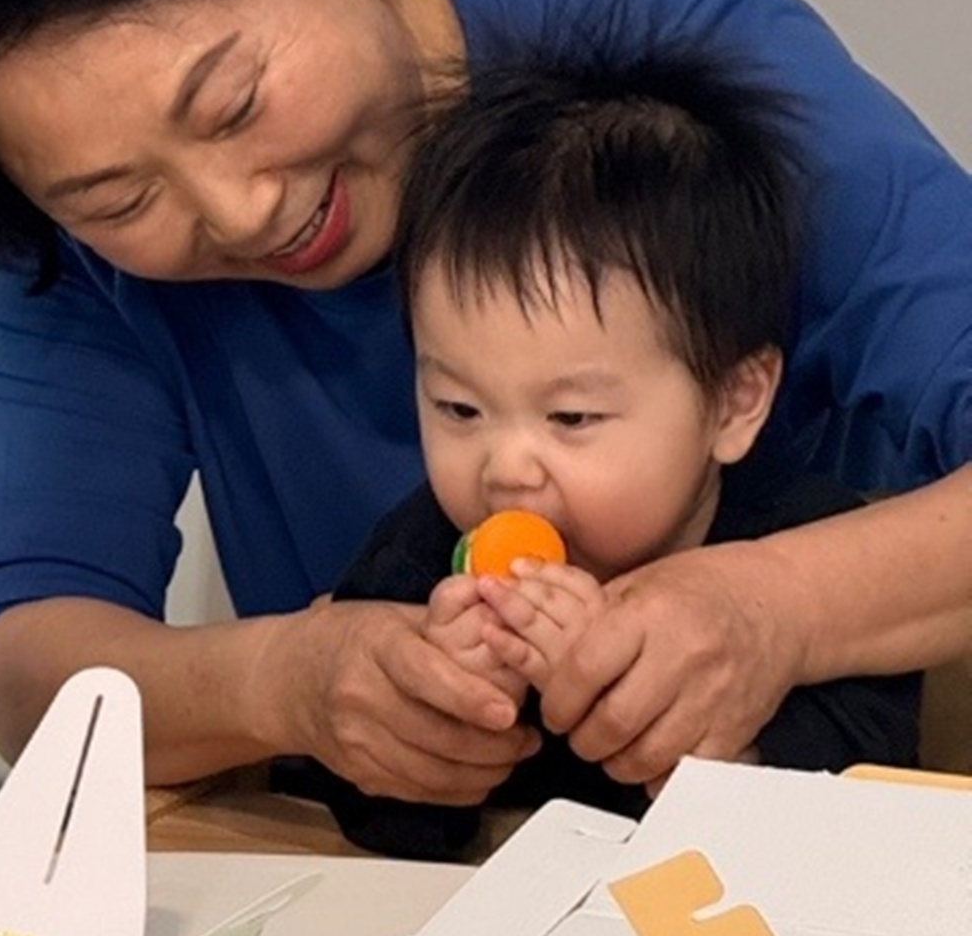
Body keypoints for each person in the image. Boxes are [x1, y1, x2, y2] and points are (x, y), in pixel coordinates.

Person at [0, 0, 972, 817]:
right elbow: (35, 667)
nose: (239, 212)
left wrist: (771, 608)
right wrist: (284, 682)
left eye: (233, 103)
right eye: (120, 196)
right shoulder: (79, 245)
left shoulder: (675, 85)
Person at [287, 47, 922, 859]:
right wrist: (442, 727)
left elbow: (848, 833)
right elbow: (374, 832)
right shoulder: (419, 562)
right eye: (458, 408)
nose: (506, 469)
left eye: (572, 417)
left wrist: (667, 737)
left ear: (733, 402)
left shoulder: (812, 561)